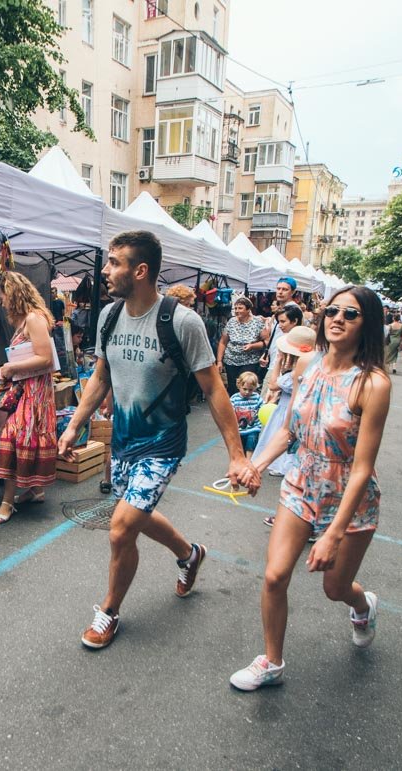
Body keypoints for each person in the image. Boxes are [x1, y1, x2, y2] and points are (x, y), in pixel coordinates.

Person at [57, 230, 258, 650]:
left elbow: (215, 388)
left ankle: (108, 611)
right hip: (124, 443)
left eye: (115, 262)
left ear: (141, 270)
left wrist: (238, 456)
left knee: (121, 528)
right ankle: (189, 554)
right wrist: (75, 423)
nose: (107, 270)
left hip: (163, 445)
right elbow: (100, 377)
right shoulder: (109, 317)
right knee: (137, 516)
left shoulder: (182, 322)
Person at [230, 285, 391, 691]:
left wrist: (333, 534)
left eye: (350, 314)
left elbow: (362, 467)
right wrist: (256, 464)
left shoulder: (372, 384)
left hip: (347, 495)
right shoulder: (306, 366)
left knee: (334, 588)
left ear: (366, 324)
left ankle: (362, 606)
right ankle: (272, 661)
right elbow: (290, 430)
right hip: (301, 481)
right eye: (333, 310)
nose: (337, 318)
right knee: (274, 576)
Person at [0, 272, 59, 523]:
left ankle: (7, 502)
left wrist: (11, 369)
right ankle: (35, 489)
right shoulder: (28, 319)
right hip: (31, 389)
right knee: (27, 440)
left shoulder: (33, 318)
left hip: (34, 393)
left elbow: (45, 358)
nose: (2, 301)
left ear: (14, 293)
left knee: (14, 437)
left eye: (3, 295)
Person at [255, 325, 318, 526]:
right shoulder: (311, 369)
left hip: (291, 419)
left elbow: (273, 385)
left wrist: (279, 362)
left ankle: (294, 517)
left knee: (295, 470)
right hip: (297, 420)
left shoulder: (295, 373)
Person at [218, 296, 268, 395]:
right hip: (231, 360)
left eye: (240, 308)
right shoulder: (231, 322)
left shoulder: (257, 322)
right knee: (233, 387)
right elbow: (223, 342)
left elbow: (266, 341)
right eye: (235, 308)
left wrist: (252, 346)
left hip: (249, 361)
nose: (237, 311)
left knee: (246, 385)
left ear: (248, 309)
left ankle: (247, 408)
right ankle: (234, 408)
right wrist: (219, 361)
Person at [263, 304, 304, 403]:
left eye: (283, 321)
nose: (280, 325)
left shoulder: (299, 341)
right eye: (279, 322)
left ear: (294, 321)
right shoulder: (284, 337)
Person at [230, 371, 264, 455]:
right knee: (240, 451)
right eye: (244, 389)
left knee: (250, 448)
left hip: (253, 428)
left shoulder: (256, 397)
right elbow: (230, 413)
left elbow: (263, 408)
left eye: (250, 390)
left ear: (255, 388)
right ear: (239, 385)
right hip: (239, 430)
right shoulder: (234, 398)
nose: (247, 392)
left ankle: (249, 463)